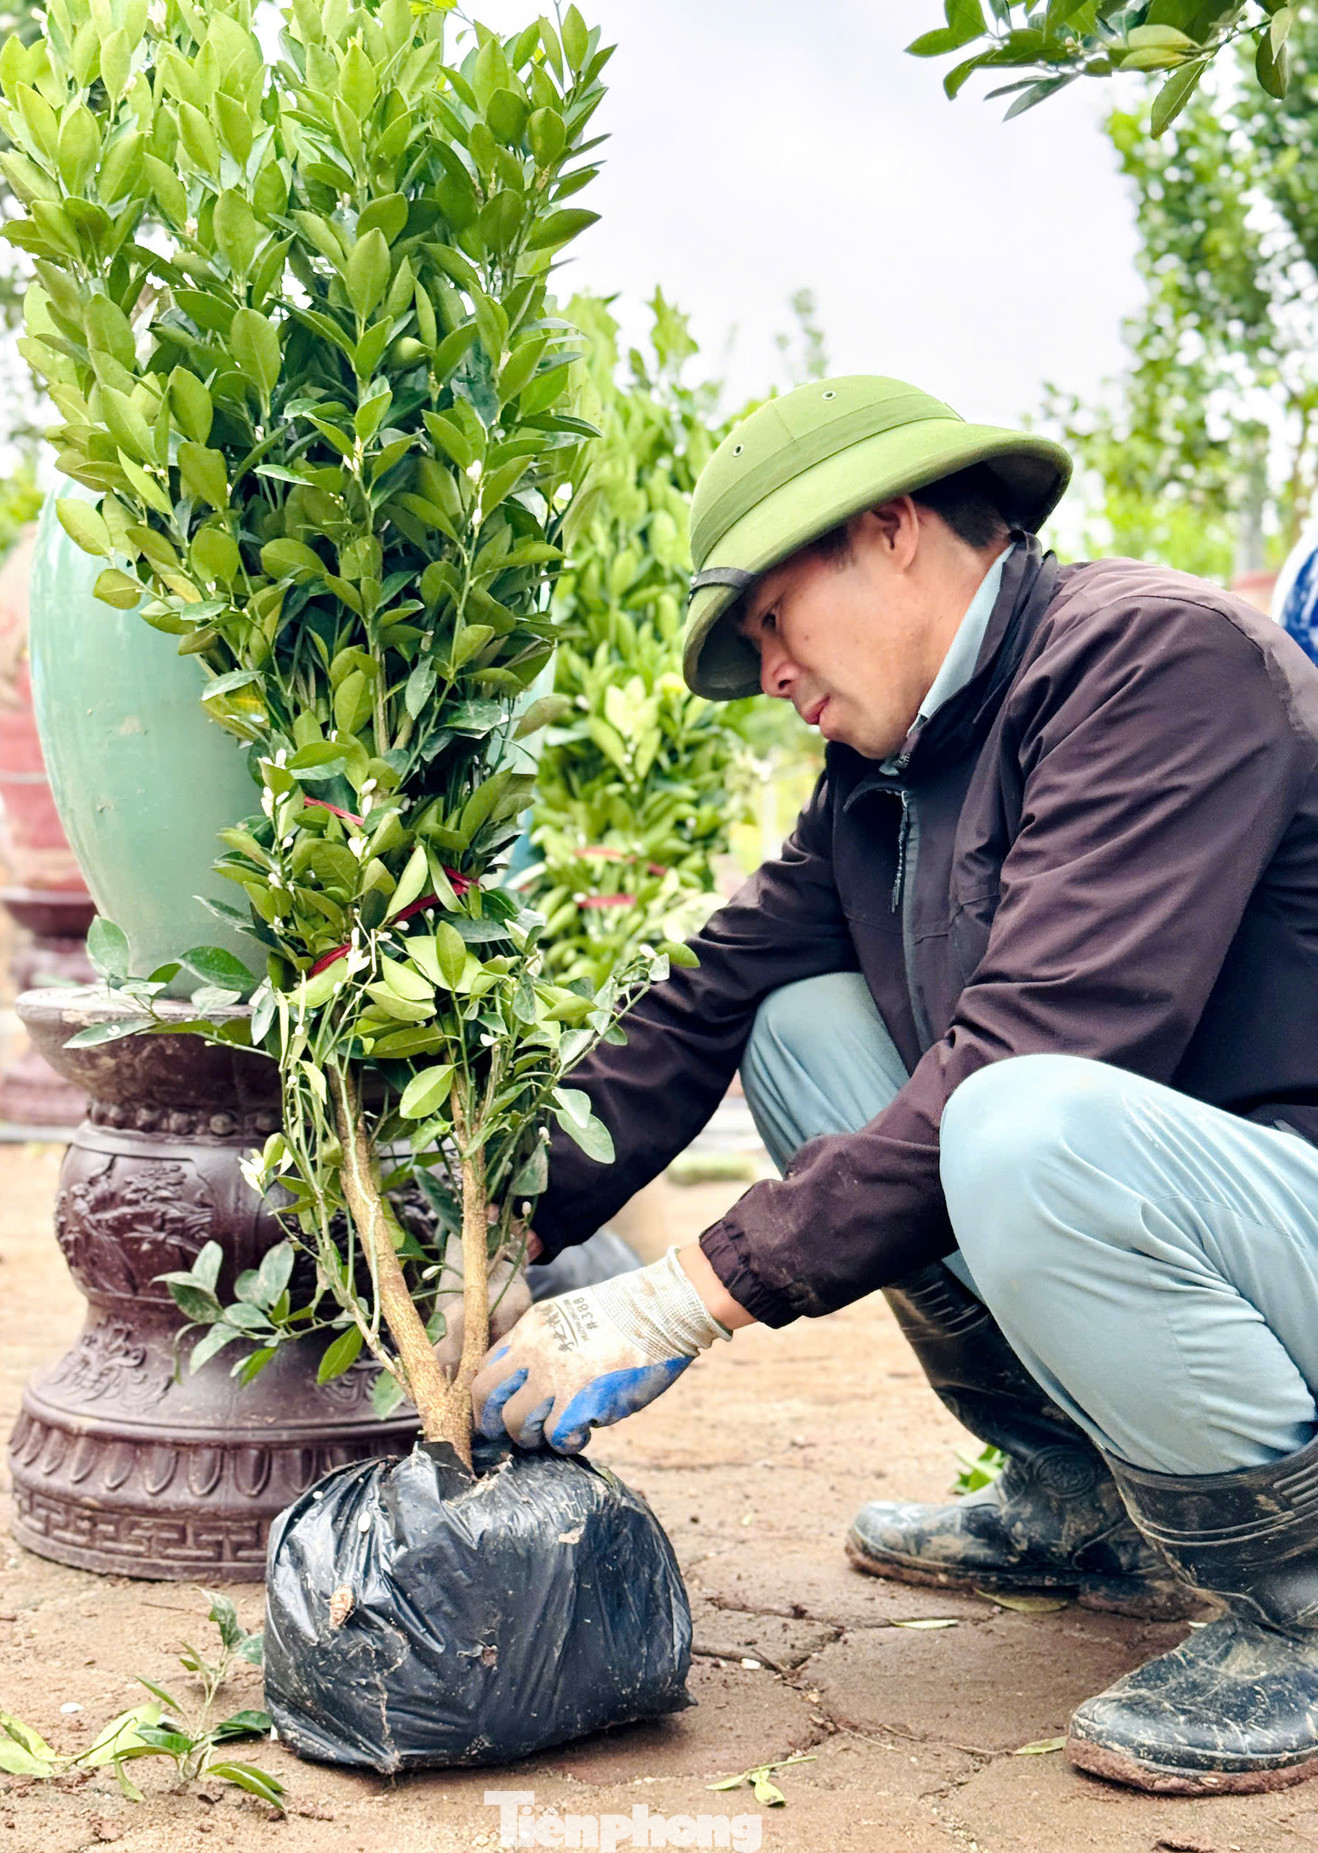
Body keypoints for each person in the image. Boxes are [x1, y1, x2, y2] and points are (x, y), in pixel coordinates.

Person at [467, 374, 1318, 1796]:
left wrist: (687, 1291)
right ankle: (1078, 1504)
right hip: (1200, 1242)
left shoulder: (1158, 664)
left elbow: (1051, 1041)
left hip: (1278, 1220)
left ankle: (1293, 1598)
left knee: (1023, 1118)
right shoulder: (891, 771)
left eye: (771, 622)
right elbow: (709, 996)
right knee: (803, 1023)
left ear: (892, 530)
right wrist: (504, 1218)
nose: (775, 675)